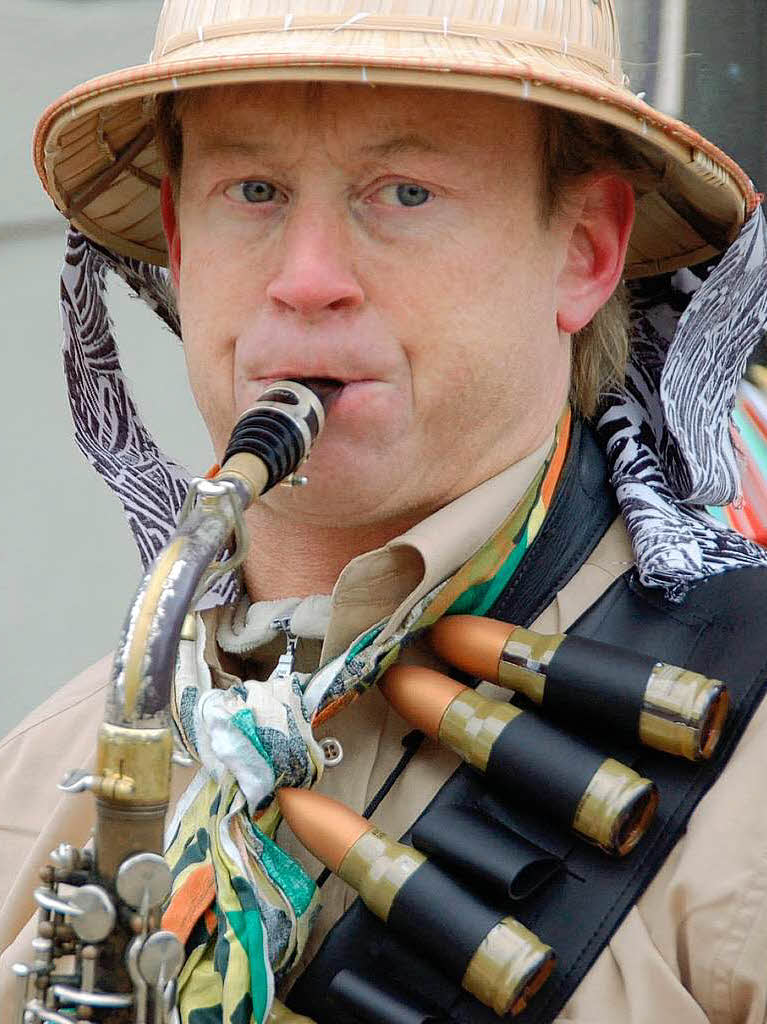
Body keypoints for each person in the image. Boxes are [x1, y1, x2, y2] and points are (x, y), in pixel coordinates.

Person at [4, 0, 767, 1021]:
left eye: (404, 191)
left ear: (584, 249)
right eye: (254, 190)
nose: (305, 280)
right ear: (181, 247)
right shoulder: (43, 775)